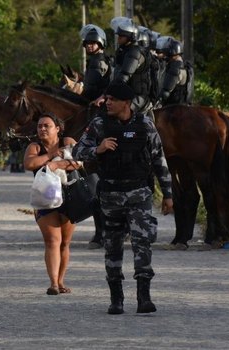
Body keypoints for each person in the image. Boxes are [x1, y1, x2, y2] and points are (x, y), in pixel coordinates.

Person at [72, 82, 173, 314]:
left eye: (112, 100)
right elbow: (77, 151)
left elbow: (159, 160)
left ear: (126, 103)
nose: (107, 103)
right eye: (106, 99)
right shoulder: (99, 124)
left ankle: (143, 297)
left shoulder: (145, 125)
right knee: (113, 245)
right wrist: (98, 149)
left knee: (142, 242)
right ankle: (116, 298)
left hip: (139, 193)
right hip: (110, 195)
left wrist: (168, 194)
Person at [23, 113, 82, 295]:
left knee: (65, 242)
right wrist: (51, 156)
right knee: (52, 240)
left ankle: (61, 280)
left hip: (70, 197)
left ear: (57, 128)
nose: (42, 129)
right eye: (39, 126)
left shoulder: (68, 141)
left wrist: (56, 164)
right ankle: (53, 284)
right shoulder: (34, 146)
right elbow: (29, 163)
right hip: (45, 197)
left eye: (46, 126)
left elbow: (78, 162)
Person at [108, 17, 152, 114]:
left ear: (130, 37)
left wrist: (106, 94)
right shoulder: (124, 51)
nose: (118, 37)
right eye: (118, 35)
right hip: (125, 96)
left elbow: (123, 77)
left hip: (137, 97)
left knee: (118, 114)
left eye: (122, 35)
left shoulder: (135, 52)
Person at [79, 24, 113, 101]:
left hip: (96, 102)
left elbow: (90, 88)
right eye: (87, 43)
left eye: (92, 43)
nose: (88, 45)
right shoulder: (99, 59)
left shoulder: (97, 61)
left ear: (100, 44)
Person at [155, 36, 193, 106]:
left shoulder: (176, 67)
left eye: (165, 53)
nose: (164, 55)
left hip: (174, 107)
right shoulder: (183, 65)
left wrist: (157, 103)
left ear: (171, 52)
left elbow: (166, 92)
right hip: (180, 105)